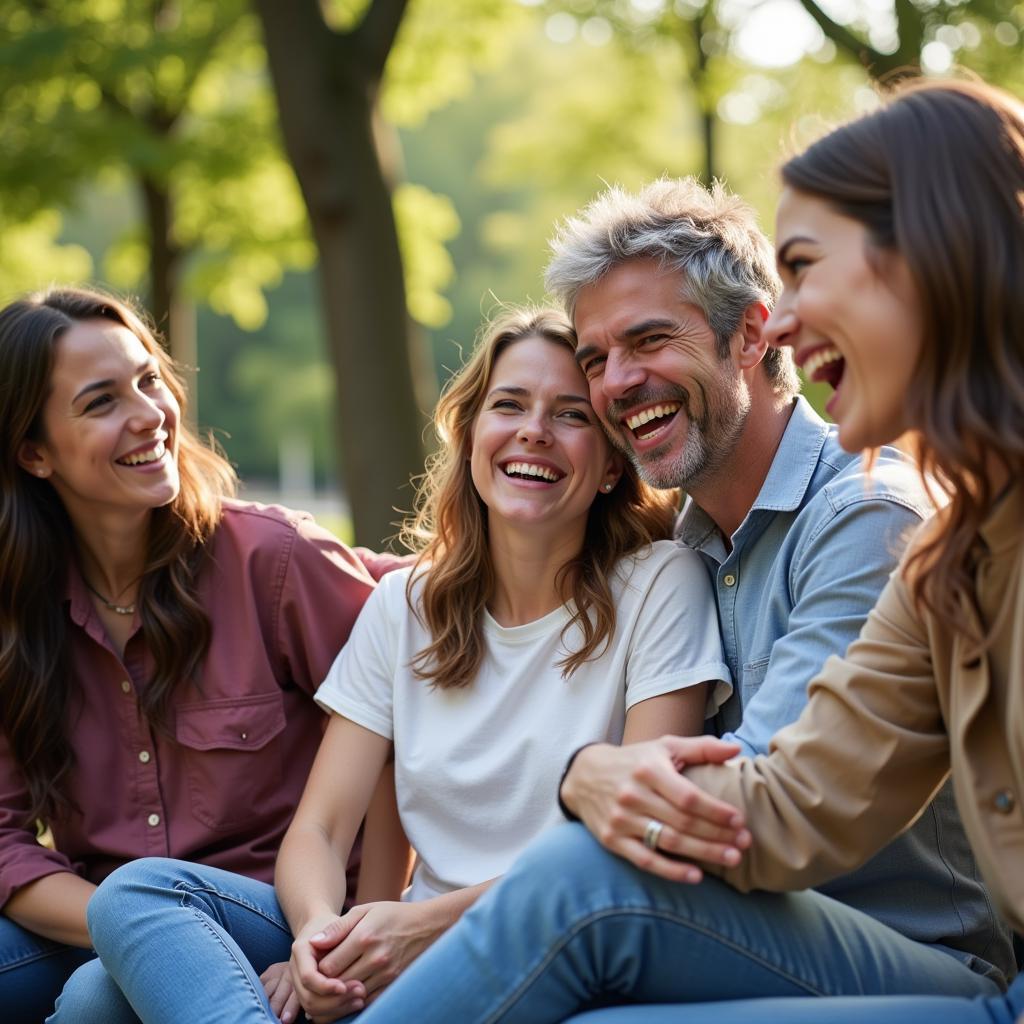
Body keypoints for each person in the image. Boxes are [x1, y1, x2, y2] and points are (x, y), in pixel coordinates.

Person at [349, 95, 1022, 1021]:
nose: (790, 318)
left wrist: (588, 786)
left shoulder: (875, 518)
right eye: (597, 356)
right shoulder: (696, 548)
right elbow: (792, 800)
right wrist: (587, 778)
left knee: (583, 883)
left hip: (913, 955)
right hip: (747, 924)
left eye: (650, 339)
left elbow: (763, 802)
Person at [75, 306, 731, 1023]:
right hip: (393, 938)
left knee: (95, 1004)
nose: (533, 429)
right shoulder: (405, 606)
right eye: (508, 404)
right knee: (132, 899)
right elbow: (321, 830)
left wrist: (419, 929)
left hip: (545, 944)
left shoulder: (659, 585)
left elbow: (634, 842)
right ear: (473, 435)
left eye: (571, 415)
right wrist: (322, 937)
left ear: (611, 465)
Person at [0, 287, 412, 1023]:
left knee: (96, 1000)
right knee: (105, 955)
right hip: (117, 914)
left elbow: (399, 742)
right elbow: (3, 841)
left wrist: (358, 940)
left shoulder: (272, 561)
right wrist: (143, 932)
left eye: (148, 379)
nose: (148, 414)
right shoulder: (16, 616)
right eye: (100, 403)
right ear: (34, 453)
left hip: (288, 914)